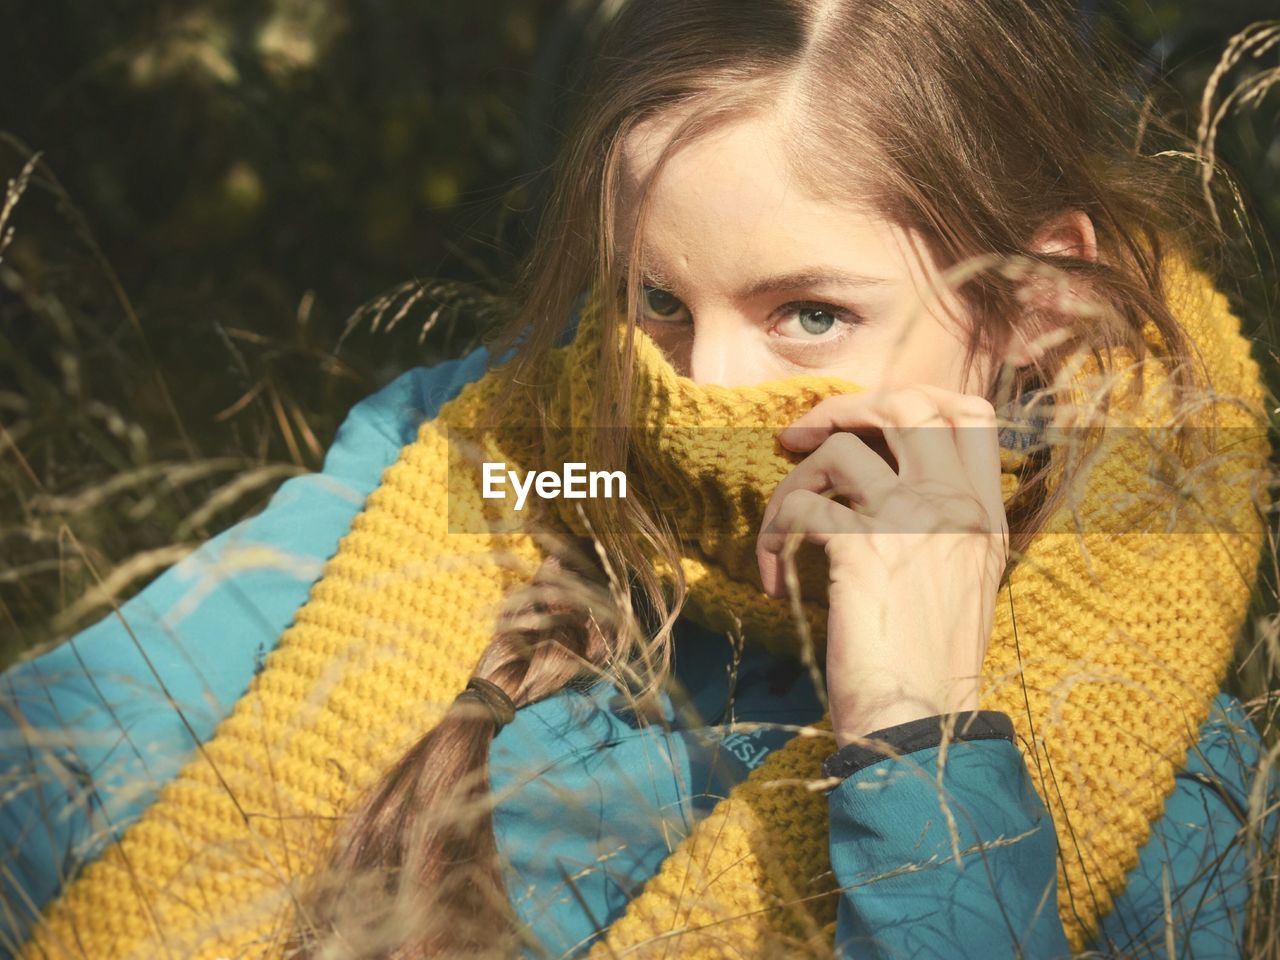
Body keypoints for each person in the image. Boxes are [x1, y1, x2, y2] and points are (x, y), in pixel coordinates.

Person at [3, 1, 1276, 958]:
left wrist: (915, 735)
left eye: (810, 315)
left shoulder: (1144, 744)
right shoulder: (500, 464)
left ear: (1033, 301)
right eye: (655, 298)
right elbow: (61, 752)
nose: (704, 389)